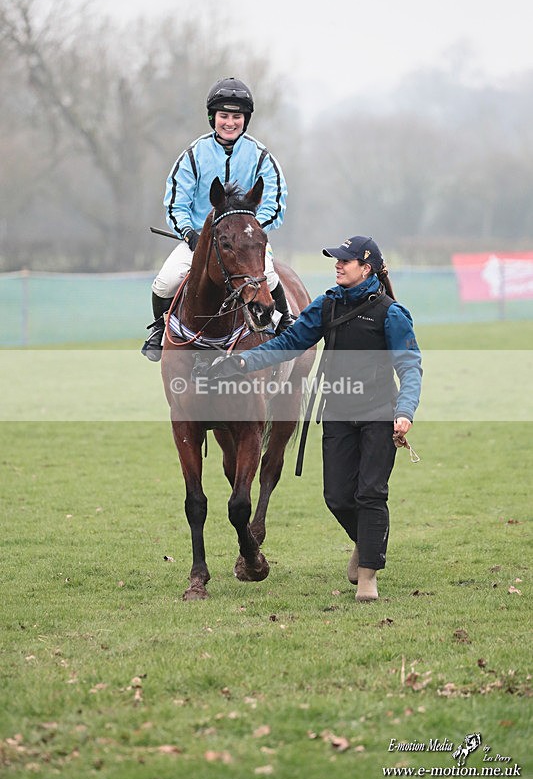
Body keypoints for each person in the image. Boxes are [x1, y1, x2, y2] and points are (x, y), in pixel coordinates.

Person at [205, 236, 422, 602]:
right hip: (336, 412)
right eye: (336, 260)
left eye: (345, 261)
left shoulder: (391, 313)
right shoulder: (327, 305)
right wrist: (244, 361)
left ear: (366, 268)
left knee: (370, 494)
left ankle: (367, 577)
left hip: (379, 414)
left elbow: (410, 366)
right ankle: (367, 541)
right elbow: (287, 342)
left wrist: (404, 411)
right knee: (337, 496)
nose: (337, 265)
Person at [141, 76, 292, 361]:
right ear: (213, 118)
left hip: (247, 242)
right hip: (199, 240)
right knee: (165, 281)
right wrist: (188, 233)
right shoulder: (193, 155)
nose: (230, 122)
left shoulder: (262, 157)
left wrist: (252, 231)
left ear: (245, 119)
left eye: (237, 116)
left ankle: (285, 323)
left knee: (269, 277)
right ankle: (159, 330)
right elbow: (176, 202)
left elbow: (274, 200)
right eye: (224, 116)